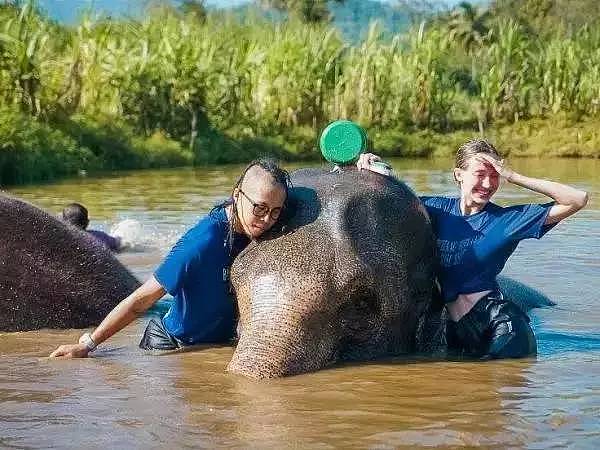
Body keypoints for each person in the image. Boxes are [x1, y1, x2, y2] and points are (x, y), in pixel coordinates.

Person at [357, 139, 588, 359]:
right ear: (459, 175)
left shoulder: (508, 220)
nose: (488, 184)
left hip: (502, 327)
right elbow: (391, 198)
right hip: (459, 333)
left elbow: (577, 199)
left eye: (494, 176)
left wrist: (514, 176)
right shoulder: (435, 210)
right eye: (480, 174)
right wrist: (371, 169)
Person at [50, 159, 291, 357]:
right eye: (260, 208)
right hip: (172, 345)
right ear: (237, 195)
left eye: (275, 212)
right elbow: (140, 301)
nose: (266, 219)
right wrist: (88, 345)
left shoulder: (259, 232)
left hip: (217, 341)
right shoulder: (202, 242)